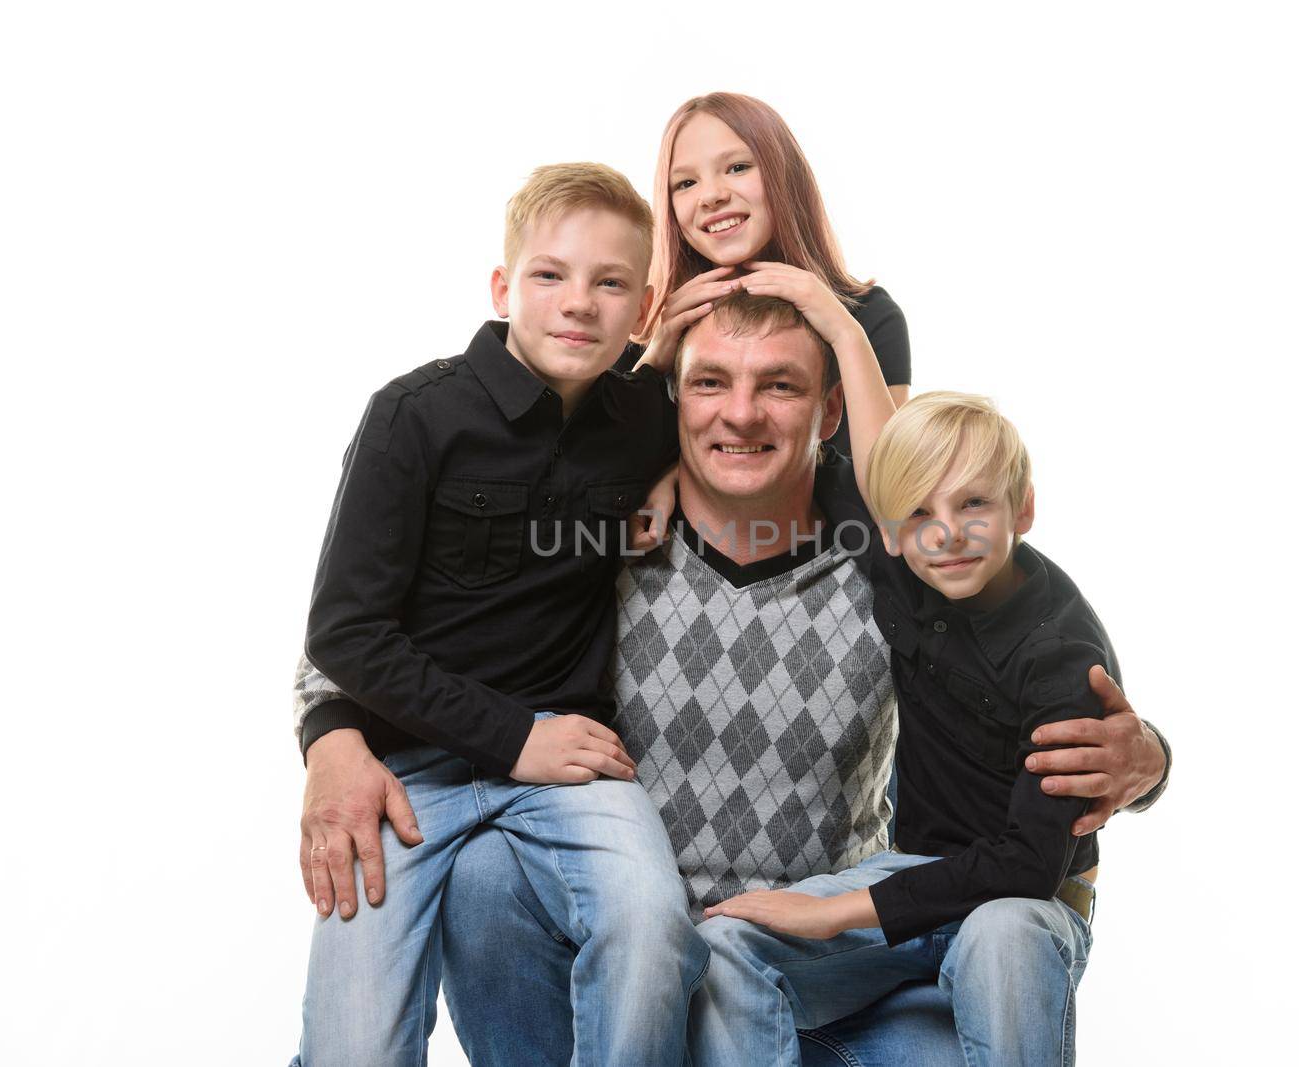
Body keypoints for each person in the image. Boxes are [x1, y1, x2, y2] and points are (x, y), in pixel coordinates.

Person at [404, 291, 1173, 1064]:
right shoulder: (598, 543)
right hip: (627, 973)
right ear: (669, 402)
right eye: (709, 382)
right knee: (482, 871)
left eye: (779, 385)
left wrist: (1148, 759)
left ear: (831, 411)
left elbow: (1024, 641)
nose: (741, 413)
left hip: (832, 974)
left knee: (977, 998)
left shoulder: (897, 567)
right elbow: (411, 621)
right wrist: (331, 734)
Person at [288, 162, 706, 1067]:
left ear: (642, 312)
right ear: (501, 286)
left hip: (572, 762)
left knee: (653, 928)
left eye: (610, 284)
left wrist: (672, 472)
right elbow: (345, 631)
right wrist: (511, 735)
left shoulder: (646, 418)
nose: (578, 304)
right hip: (408, 776)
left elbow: (769, 438)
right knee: (353, 1047)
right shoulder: (414, 415)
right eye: (550, 275)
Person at [693, 391, 1112, 1065]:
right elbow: (813, 450)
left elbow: (1030, 865)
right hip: (915, 876)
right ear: (887, 529)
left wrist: (835, 910)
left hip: (1023, 906)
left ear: (1023, 509)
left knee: (1002, 935)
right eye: (918, 512)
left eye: (974, 503)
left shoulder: (1061, 656)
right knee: (724, 945)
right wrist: (834, 319)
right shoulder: (907, 565)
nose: (945, 531)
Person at [624, 91, 912, 454]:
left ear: (784, 175)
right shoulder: (647, 323)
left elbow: (896, 490)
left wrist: (844, 334)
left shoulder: (868, 317)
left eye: (737, 168)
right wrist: (655, 356)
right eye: (685, 183)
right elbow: (602, 473)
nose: (710, 196)